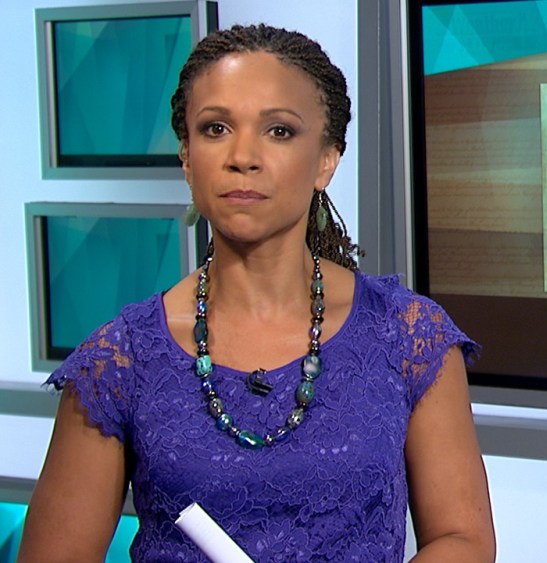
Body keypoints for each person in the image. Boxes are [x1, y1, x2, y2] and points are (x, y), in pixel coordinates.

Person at [18, 24, 495, 562]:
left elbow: (464, 539)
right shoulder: (119, 362)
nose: (242, 156)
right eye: (216, 128)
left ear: (326, 159)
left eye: (279, 131)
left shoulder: (407, 335)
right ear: (187, 158)